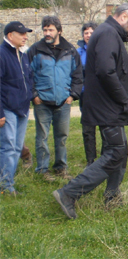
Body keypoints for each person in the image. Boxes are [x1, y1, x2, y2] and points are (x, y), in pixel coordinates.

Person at [53, 3, 128, 219]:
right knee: (115, 152)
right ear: (122, 17)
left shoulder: (108, 32)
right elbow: (105, 70)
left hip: (107, 105)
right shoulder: (109, 33)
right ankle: (69, 193)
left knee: (121, 149)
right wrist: (122, 99)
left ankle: (112, 195)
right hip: (107, 106)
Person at [28, 16, 83, 182]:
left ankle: (61, 168)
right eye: (45, 30)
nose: (47, 33)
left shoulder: (71, 51)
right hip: (42, 102)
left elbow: (78, 75)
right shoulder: (35, 50)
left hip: (63, 102)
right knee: (42, 137)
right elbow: (27, 75)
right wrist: (34, 96)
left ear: (59, 31)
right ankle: (42, 170)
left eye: (51, 30)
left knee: (62, 137)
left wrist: (72, 95)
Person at [0, 21, 33, 194]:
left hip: (23, 109)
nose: (25, 37)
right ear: (10, 35)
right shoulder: (2, 54)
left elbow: (29, 77)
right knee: (9, 146)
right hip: (8, 109)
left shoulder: (23, 54)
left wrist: (31, 95)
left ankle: (7, 181)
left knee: (17, 145)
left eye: (26, 33)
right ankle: (6, 186)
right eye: (21, 34)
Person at [77, 22, 98, 167]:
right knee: (88, 128)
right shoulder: (78, 53)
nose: (88, 35)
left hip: (101, 95)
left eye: (91, 32)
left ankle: (106, 157)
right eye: (86, 33)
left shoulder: (102, 49)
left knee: (105, 126)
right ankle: (90, 160)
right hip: (85, 95)